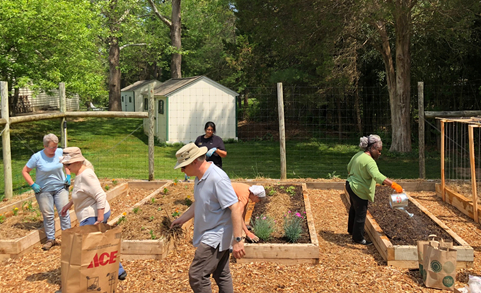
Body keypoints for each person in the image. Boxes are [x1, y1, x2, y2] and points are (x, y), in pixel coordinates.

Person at [171, 143, 245, 293]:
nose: (182, 170)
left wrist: (238, 241)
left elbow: (235, 207)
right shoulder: (200, 177)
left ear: (194, 162)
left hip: (216, 236)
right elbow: (199, 202)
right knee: (221, 273)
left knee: (197, 275)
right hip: (212, 233)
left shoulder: (217, 178)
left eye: (184, 167)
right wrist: (182, 219)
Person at [59, 147, 127, 281]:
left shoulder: (85, 175)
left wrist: (100, 218)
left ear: (78, 162)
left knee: (83, 251)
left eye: (68, 164)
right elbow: (83, 193)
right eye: (64, 164)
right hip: (92, 214)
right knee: (101, 244)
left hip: (92, 217)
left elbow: (100, 195)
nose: (66, 167)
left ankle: (75, 283)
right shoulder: (80, 174)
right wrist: (70, 204)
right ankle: (118, 271)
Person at [346, 134, 403, 246]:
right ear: (372, 148)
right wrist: (393, 185)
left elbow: (348, 167)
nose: (380, 153)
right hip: (359, 189)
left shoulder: (358, 155)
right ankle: (358, 238)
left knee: (354, 208)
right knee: (361, 213)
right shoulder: (370, 161)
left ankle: (352, 230)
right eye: (379, 150)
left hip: (350, 185)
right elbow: (377, 175)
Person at [22, 133, 71, 251]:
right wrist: (33, 185)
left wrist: (68, 176)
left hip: (60, 187)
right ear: (45, 146)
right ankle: (50, 239)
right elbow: (25, 171)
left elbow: (67, 165)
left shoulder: (60, 152)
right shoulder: (37, 157)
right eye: (51, 147)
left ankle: (68, 238)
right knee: (48, 215)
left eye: (55, 146)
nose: (54, 149)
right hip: (44, 190)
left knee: (64, 212)